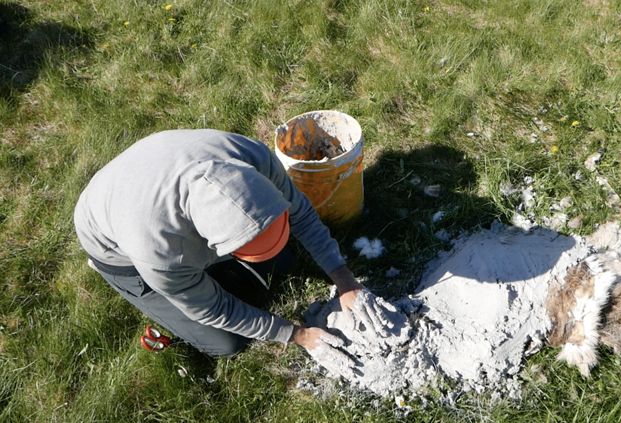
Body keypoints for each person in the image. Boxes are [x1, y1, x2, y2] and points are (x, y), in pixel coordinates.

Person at [73, 129, 393, 363]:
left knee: (283, 264)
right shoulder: (159, 252)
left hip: (154, 167)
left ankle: (234, 270)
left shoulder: (252, 157)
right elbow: (214, 309)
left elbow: (302, 216)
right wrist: (296, 334)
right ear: (221, 246)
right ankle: (148, 295)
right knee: (227, 342)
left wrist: (344, 279)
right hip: (115, 247)